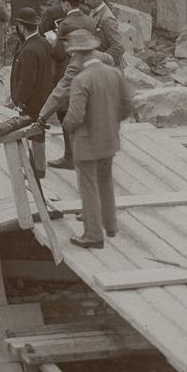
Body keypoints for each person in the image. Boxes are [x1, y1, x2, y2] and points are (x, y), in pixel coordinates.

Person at [49, 29, 127, 248]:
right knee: (105, 182)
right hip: (109, 139)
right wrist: (112, 122)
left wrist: (67, 128)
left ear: (78, 54)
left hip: (86, 142)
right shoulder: (114, 73)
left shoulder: (81, 80)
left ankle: (93, 235)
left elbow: (75, 116)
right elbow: (127, 105)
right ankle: (110, 225)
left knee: (88, 187)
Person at [9, 18, 66, 176]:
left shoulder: (28, 49)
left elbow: (27, 80)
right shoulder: (43, 43)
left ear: (21, 26)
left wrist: (20, 101)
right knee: (38, 132)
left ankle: (36, 169)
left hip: (32, 99)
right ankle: (38, 167)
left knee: (32, 132)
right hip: (43, 94)